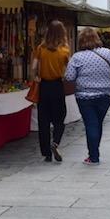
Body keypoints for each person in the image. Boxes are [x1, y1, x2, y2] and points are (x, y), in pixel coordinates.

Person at [64, 28, 110, 165]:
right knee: (97, 124)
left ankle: (94, 156)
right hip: (105, 96)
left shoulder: (77, 57)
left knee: (91, 124)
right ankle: (94, 152)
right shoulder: (107, 53)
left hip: (84, 96)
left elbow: (69, 76)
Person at [31, 20, 70, 162]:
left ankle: (46, 152)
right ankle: (56, 142)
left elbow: (34, 67)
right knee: (60, 118)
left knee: (44, 120)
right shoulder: (65, 50)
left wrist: (36, 77)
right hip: (57, 86)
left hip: (44, 86)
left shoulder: (41, 48)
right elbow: (69, 69)